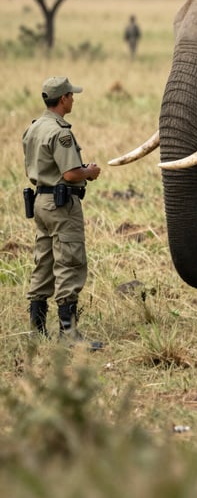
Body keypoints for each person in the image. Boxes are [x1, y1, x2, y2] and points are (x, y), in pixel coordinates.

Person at [22, 77, 102, 348]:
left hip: (40, 203)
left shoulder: (34, 128)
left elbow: (32, 168)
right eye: (71, 95)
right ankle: (68, 334)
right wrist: (88, 172)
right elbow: (69, 173)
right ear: (63, 99)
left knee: (43, 262)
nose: (74, 99)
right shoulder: (61, 132)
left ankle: (37, 328)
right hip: (61, 205)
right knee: (69, 262)